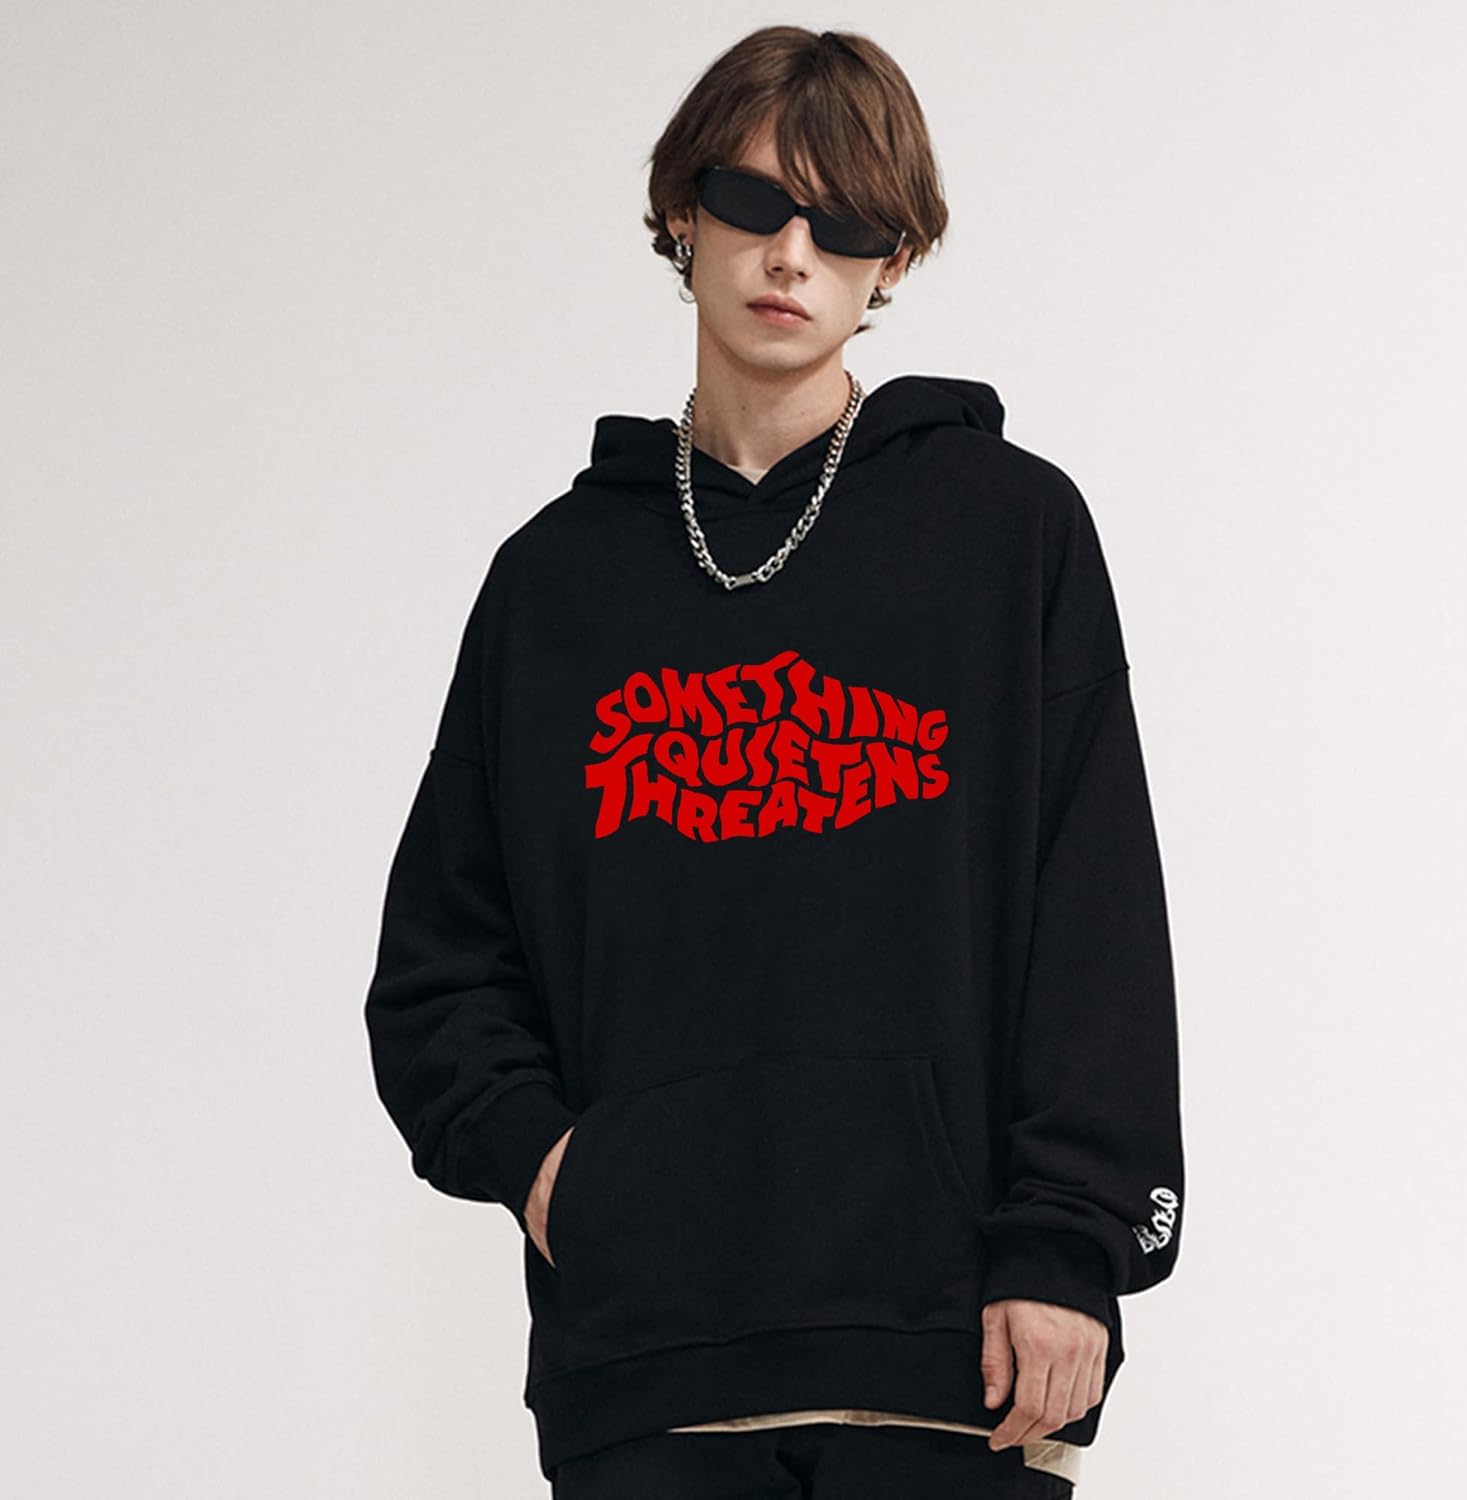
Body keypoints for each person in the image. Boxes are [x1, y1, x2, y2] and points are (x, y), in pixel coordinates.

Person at [363, 24, 1185, 1499]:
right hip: (651, 1364)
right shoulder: (555, 585)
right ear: (684, 216)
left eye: (846, 223)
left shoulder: (1008, 535)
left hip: (955, 1359)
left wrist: (1071, 1242)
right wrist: (557, 1173)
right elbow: (438, 967)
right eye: (753, 203)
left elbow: (1097, 920)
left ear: (894, 262)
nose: (792, 253)